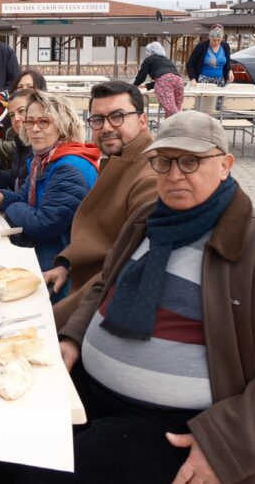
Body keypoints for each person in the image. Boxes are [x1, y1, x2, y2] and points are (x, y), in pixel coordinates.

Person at [0, 111, 255, 484]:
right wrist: (72, 336)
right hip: (91, 385)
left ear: (225, 165)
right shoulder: (148, 219)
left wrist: (224, 443)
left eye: (190, 161)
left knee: (45, 474)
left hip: (174, 421)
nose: (174, 175)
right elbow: (107, 285)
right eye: (163, 161)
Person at [42, 81, 158, 328]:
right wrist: (65, 264)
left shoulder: (151, 177)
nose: (106, 127)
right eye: (97, 119)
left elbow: (121, 272)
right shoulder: (121, 159)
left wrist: (52, 323)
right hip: (80, 278)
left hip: (102, 307)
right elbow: (99, 231)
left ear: (143, 120)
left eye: (117, 117)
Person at [0, 92, 100, 301]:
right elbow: (24, 199)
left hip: (61, 271)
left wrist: (8, 207)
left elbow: (43, 225)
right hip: (42, 254)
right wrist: (0, 198)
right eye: (30, 122)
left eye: (44, 122)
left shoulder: (68, 167)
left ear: (63, 125)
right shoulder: (41, 160)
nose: (34, 128)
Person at [134, 41, 185, 118]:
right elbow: (167, 77)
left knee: (171, 110)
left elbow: (141, 77)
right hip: (179, 80)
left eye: (147, 52)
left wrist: (134, 86)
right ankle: (170, 128)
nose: (147, 54)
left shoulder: (149, 59)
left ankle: (182, 125)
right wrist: (147, 86)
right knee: (176, 108)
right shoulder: (166, 60)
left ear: (150, 51)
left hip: (164, 81)